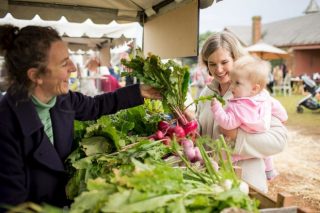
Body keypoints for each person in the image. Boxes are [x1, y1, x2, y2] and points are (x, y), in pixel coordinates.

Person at [0, 25, 161, 210]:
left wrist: (139, 91)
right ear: (35, 75)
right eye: (63, 63)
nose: (73, 68)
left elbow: (96, 105)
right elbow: (12, 205)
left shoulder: (61, 99)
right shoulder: (6, 124)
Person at [195, 31, 288, 193]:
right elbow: (202, 131)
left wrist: (236, 137)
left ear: (236, 59)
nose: (219, 70)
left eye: (224, 62)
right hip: (211, 181)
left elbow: (279, 140)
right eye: (212, 64)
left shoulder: (252, 93)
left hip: (246, 181)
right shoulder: (206, 93)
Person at [210, 55, 288, 180]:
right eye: (232, 81)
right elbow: (276, 107)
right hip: (259, 134)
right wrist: (283, 117)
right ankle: (269, 170)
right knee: (265, 155)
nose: (232, 86)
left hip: (241, 148)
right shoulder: (263, 96)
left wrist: (217, 109)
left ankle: (219, 171)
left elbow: (227, 124)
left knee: (224, 154)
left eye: (237, 83)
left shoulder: (239, 107)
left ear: (254, 88)